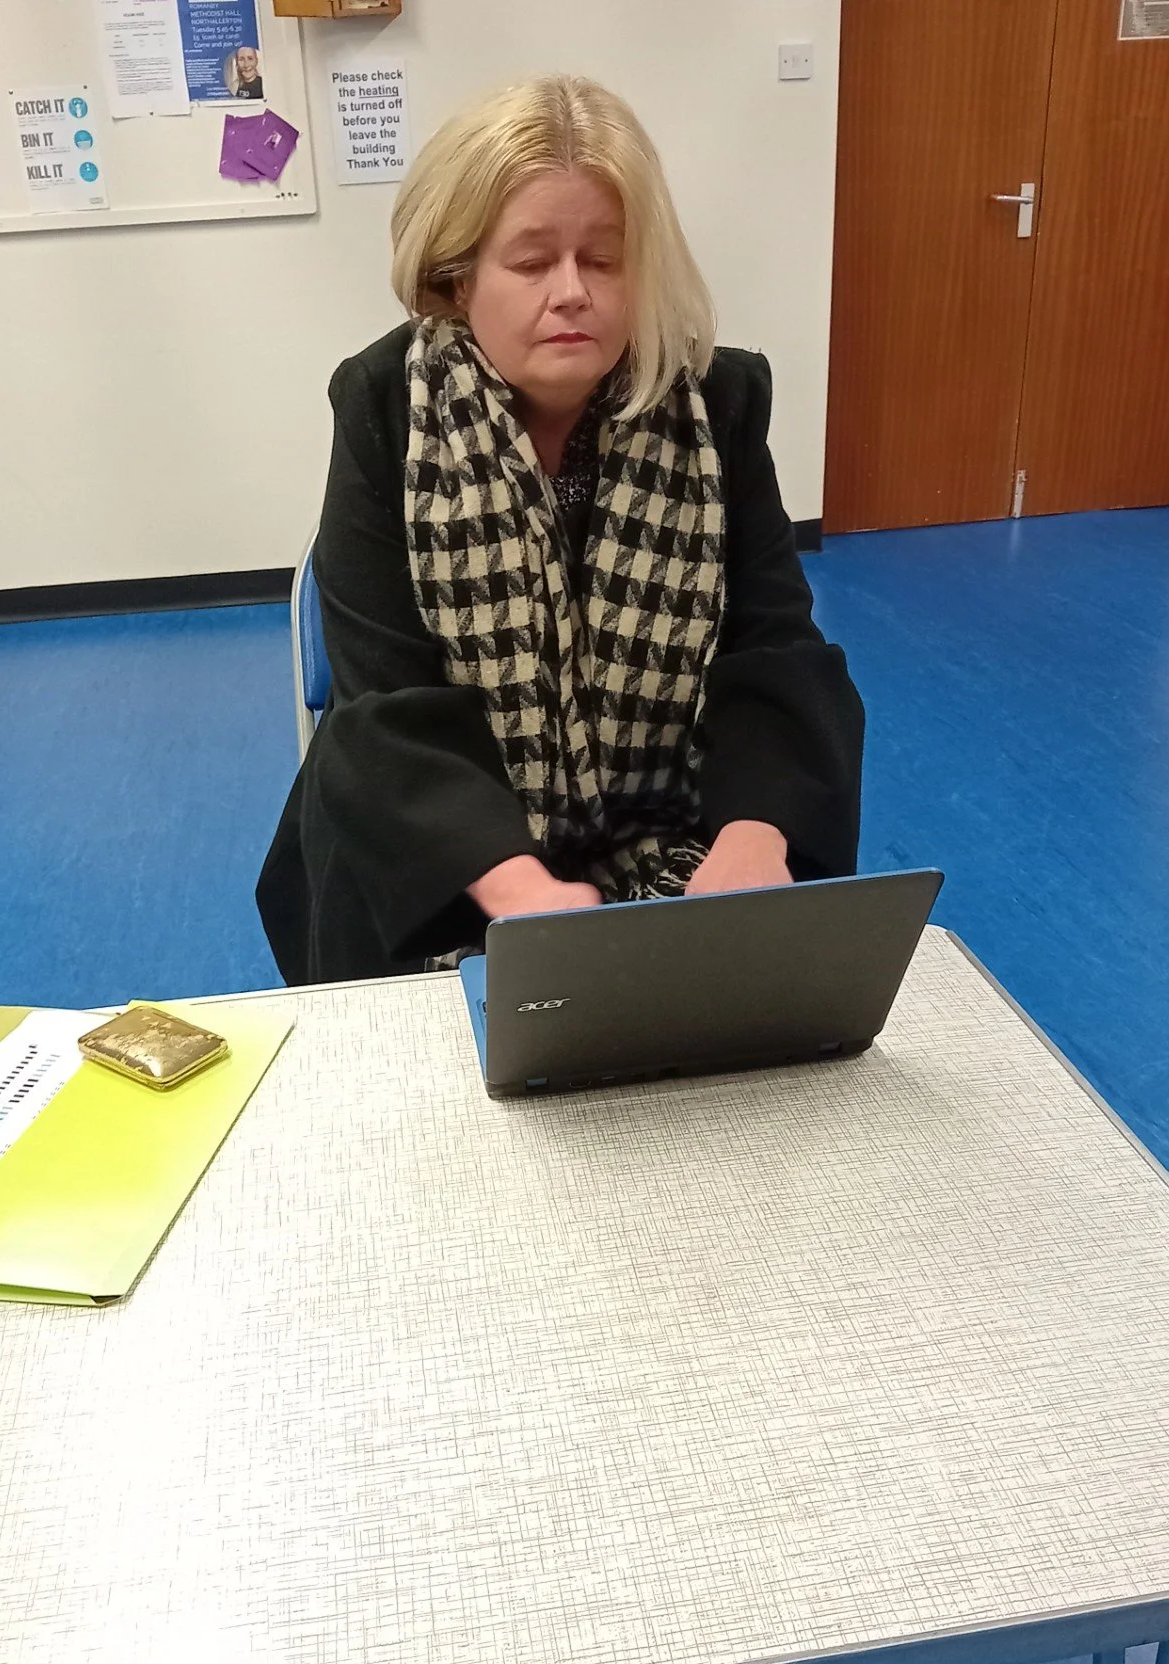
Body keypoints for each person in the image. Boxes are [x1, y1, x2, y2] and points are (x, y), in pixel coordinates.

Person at [258, 75, 864, 986]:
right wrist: (518, 888)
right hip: (435, 865)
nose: (573, 292)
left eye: (605, 260)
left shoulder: (717, 404)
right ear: (457, 277)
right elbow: (382, 703)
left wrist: (754, 833)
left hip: (671, 836)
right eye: (533, 262)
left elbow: (773, 649)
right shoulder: (386, 404)